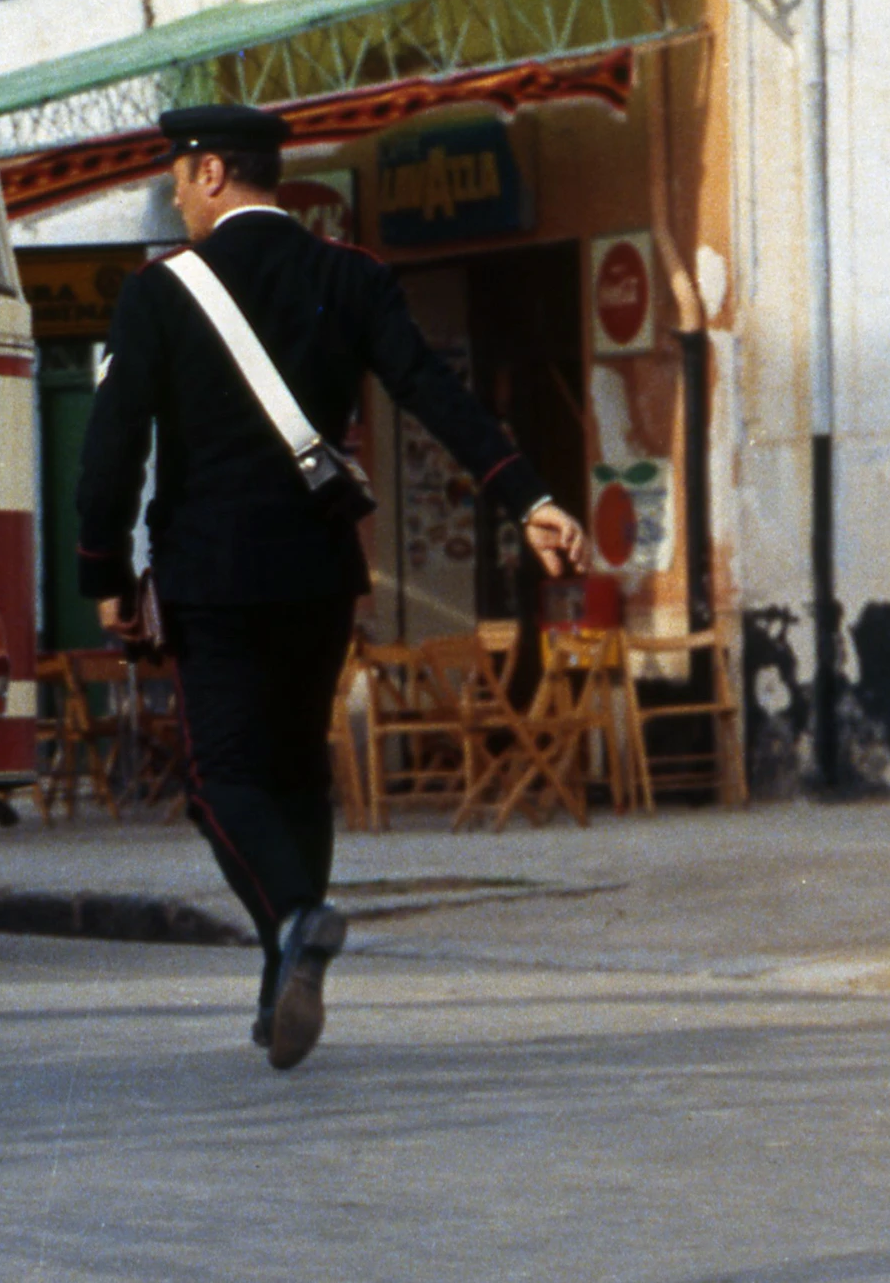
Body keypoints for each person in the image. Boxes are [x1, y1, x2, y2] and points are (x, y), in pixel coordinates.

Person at [74, 105, 587, 1069]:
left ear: (214, 173)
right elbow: (433, 391)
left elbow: (112, 447)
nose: (177, 196)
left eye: (180, 178)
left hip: (212, 571)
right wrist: (528, 497)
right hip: (317, 569)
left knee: (220, 782)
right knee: (296, 771)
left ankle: (298, 921)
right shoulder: (350, 275)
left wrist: (100, 568)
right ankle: (282, 991)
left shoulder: (159, 293)